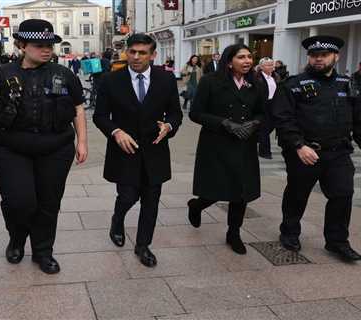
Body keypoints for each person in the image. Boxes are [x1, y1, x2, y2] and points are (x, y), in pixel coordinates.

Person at [0, 19, 88, 274]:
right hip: (12, 148)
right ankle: (16, 239)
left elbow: (78, 108)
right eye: (39, 45)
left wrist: (81, 141)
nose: (47, 49)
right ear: (21, 45)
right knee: (19, 201)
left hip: (56, 147)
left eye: (50, 44)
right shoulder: (1, 75)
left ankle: (43, 251)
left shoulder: (64, 74)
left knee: (49, 203)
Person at [93, 33, 183, 267]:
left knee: (151, 200)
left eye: (142, 52)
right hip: (125, 150)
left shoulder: (166, 79)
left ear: (153, 55)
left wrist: (169, 126)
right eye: (132, 51)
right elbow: (100, 116)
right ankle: (117, 219)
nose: (135, 56)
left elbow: (176, 113)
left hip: (155, 150)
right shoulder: (110, 80)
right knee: (128, 196)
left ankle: (143, 245)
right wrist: (116, 132)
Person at [271, 36, 361, 262]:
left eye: (324, 55)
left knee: (343, 195)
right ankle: (290, 232)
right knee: (297, 194)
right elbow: (283, 119)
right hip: (305, 153)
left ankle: (337, 241)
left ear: (336, 57)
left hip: (339, 152)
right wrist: (299, 146)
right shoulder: (293, 84)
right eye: (314, 55)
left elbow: (358, 120)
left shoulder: (347, 83)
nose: (318, 59)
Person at [187, 44, 265, 255]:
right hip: (216, 143)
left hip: (244, 144)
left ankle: (234, 233)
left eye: (250, 56)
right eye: (241, 57)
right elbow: (195, 113)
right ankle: (196, 205)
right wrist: (225, 123)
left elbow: (263, 112)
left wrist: (254, 124)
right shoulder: (210, 81)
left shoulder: (256, 83)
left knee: (240, 193)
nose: (248, 61)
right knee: (215, 189)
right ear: (229, 61)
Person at [256, 57, 280, 159]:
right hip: (262, 105)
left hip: (273, 105)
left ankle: (257, 138)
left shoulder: (275, 76)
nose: (271, 67)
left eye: (272, 64)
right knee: (265, 129)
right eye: (268, 65)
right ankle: (265, 152)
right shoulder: (257, 77)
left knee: (271, 126)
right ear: (261, 67)